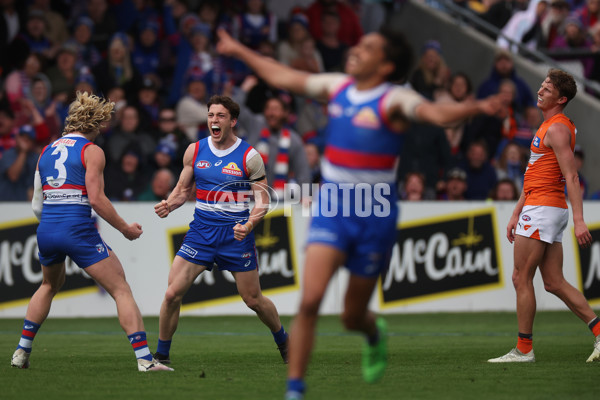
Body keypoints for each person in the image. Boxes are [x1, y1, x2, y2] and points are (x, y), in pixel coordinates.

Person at [215, 27, 501, 399]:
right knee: (310, 300)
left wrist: (474, 107)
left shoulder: (394, 99)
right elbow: (283, 75)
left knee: (352, 315)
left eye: (367, 48)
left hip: (375, 215)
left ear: (385, 65)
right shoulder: (338, 86)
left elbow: (435, 113)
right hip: (332, 208)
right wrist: (239, 49)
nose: (355, 49)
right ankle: (295, 391)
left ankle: (372, 332)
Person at [10, 91, 172, 372]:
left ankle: (21, 352)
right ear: (95, 123)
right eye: (103, 122)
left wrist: (54, 223)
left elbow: (37, 205)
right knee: (121, 289)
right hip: (77, 228)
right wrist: (124, 228)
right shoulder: (91, 151)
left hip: (47, 229)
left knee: (49, 285)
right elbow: (96, 199)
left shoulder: (45, 151)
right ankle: (145, 360)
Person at [152, 95, 290, 366]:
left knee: (253, 299)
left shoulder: (250, 156)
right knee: (171, 294)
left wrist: (249, 224)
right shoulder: (195, 150)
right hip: (201, 232)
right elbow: (182, 191)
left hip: (234, 234)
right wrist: (169, 204)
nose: (214, 120)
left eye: (221, 116)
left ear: (233, 121)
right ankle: (162, 356)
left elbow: (263, 200)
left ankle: (284, 341)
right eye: (211, 115)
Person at [488, 69, 600, 364]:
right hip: (541, 207)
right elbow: (535, 176)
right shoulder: (551, 125)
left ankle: (524, 349)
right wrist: (516, 212)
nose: (540, 91)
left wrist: (579, 220)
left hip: (544, 209)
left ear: (561, 98)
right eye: (541, 85)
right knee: (553, 282)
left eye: (547, 89)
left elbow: (571, 176)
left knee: (519, 276)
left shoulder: (558, 128)